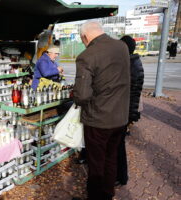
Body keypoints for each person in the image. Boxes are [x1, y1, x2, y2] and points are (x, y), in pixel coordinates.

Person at [73, 21, 130, 200]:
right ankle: (107, 194)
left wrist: (74, 93)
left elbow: (82, 96)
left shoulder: (87, 56)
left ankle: (96, 197)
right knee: (111, 158)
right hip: (120, 117)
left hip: (98, 119)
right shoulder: (121, 47)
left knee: (96, 163)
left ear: (85, 37)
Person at [115, 35, 144, 186]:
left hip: (123, 112)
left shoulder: (129, 65)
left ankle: (121, 177)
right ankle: (120, 175)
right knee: (119, 145)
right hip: (127, 111)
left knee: (118, 146)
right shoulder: (134, 62)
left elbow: (128, 93)